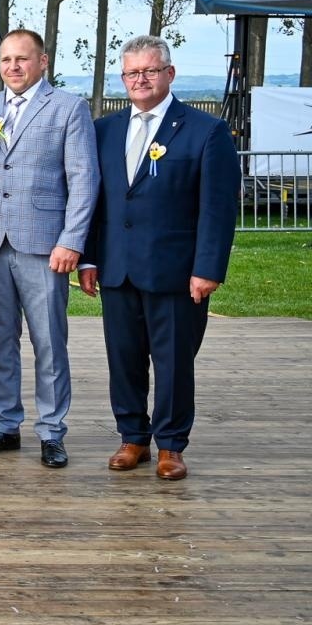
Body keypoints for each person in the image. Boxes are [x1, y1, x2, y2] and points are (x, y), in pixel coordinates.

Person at [78, 35, 238, 481]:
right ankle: (132, 438)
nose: (140, 79)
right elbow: (94, 200)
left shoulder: (206, 130)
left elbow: (218, 206)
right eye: (132, 72)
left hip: (176, 270)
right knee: (123, 359)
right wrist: (89, 259)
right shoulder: (104, 129)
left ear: (170, 74)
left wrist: (207, 268)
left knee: (172, 363)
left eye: (150, 70)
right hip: (117, 267)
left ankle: (171, 445)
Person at [0, 29, 98, 468]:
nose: (13, 68)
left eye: (22, 59)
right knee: (0, 340)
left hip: (45, 245)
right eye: (5, 60)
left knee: (48, 341)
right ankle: (5, 424)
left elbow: (83, 180)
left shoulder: (68, 108)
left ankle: (51, 431)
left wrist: (72, 240)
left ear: (43, 62)